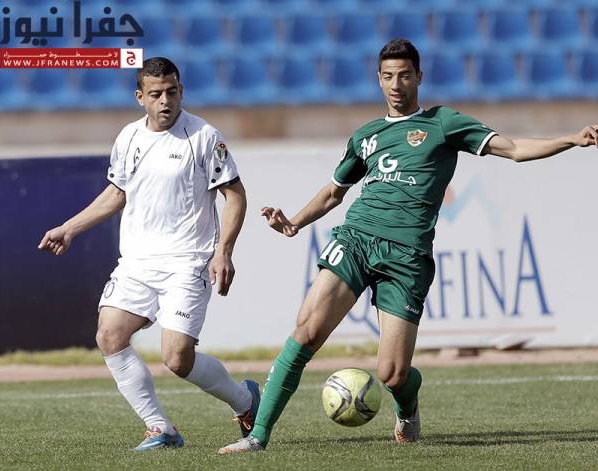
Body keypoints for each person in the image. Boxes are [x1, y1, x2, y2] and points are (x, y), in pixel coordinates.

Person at [218, 39, 598, 454]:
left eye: (403, 75)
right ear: (378, 81)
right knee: (307, 331)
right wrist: (293, 222)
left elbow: (514, 149)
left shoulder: (444, 123)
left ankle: (407, 407)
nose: (396, 84)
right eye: (388, 77)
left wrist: (571, 139)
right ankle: (257, 436)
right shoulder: (366, 136)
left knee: (393, 374)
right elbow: (333, 192)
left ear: (419, 76)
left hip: (407, 256)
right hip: (357, 239)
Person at [38, 57, 260, 451]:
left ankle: (244, 401)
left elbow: (235, 196)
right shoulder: (128, 137)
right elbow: (117, 194)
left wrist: (223, 251)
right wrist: (69, 228)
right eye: (156, 94)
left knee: (176, 359)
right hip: (137, 263)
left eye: (172, 92)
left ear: (181, 91)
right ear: (140, 97)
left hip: (187, 261)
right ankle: (160, 427)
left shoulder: (204, 136)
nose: (165, 101)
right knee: (109, 335)